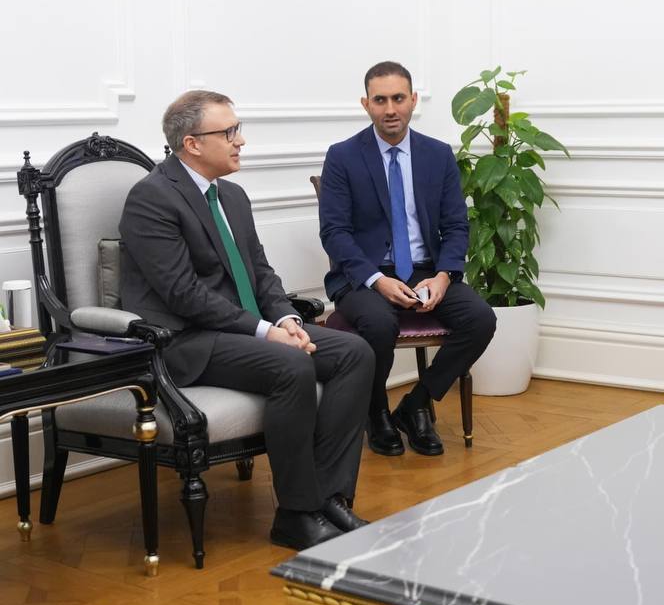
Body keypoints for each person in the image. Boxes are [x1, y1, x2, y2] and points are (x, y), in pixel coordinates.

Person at [119, 91, 375, 550]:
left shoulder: (232, 196)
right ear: (193, 143)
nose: (241, 141)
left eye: (237, 130)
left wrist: (287, 318)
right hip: (186, 341)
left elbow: (259, 272)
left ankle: (330, 498)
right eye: (229, 132)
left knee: (354, 352)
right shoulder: (151, 198)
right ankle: (296, 515)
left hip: (241, 331)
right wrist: (266, 332)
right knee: (291, 363)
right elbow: (183, 293)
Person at [319, 61, 496, 456]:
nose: (390, 109)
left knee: (481, 318)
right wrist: (376, 281)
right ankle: (376, 412)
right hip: (364, 276)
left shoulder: (437, 155)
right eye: (380, 100)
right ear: (365, 104)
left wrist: (444, 275)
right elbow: (334, 233)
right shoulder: (343, 156)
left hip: (426, 271)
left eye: (398, 98)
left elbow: (456, 225)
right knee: (379, 323)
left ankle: (416, 405)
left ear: (413, 100)